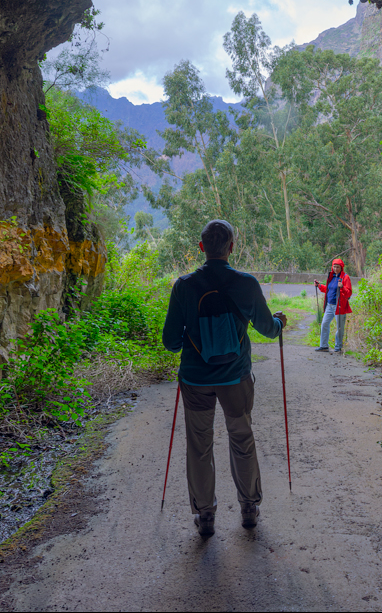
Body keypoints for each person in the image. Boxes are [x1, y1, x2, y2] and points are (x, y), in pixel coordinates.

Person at [162, 220, 286, 537]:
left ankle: (205, 515)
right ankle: (248, 508)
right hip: (235, 377)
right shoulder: (246, 284)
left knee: (199, 446)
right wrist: (278, 322)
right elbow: (268, 329)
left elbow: (171, 342)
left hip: (195, 379)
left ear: (201, 247)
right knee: (242, 439)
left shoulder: (184, 286)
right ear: (232, 247)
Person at [313, 258, 352, 353]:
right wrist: (319, 286)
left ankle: (338, 347)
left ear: (341, 268)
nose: (335, 268)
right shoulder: (332, 276)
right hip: (329, 305)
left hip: (339, 306)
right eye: (334, 266)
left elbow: (349, 293)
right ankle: (324, 346)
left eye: (337, 267)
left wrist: (342, 287)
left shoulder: (345, 277)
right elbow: (329, 289)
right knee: (324, 324)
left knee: (339, 327)